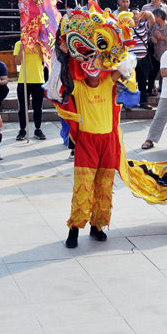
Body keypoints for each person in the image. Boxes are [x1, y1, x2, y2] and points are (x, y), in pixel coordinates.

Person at [64, 56, 126, 249]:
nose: (93, 67)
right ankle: (74, 229)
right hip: (86, 141)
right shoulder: (78, 86)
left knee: (104, 186)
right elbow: (60, 81)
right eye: (88, 63)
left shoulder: (108, 81)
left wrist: (125, 55)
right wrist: (64, 53)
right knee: (83, 186)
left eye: (97, 62)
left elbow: (126, 63)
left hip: (108, 140)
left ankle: (97, 226)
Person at [13, 40, 47, 140]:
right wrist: (21, 50)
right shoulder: (19, 43)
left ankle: (38, 129)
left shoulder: (41, 43)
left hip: (38, 79)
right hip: (23, 80)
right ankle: (22, 130)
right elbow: (17, 62)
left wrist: (40, 49)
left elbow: (45, 61)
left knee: (38, 107)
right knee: (23, 107)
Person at [130, 10, 155, 109]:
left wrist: (149, 14)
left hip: (143, 59)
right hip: (131, 61)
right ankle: (130, 103)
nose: (135, 16)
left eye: (137, 14)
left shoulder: (143, 26)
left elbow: (152, 21)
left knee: (143, 81)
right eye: (133, 15)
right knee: (130, 82)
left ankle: (143, 101)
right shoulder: (127, 28)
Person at [148, 7, 167, 96]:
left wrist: (162, 38)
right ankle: (149, 90)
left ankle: (165, 90)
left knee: (165, 74)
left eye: (154, 16)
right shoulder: (155, 26)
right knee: (152, 73)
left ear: (159, 16)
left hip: (166, 55)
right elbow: (150, 35)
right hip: (156, 54)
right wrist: (152, 38)